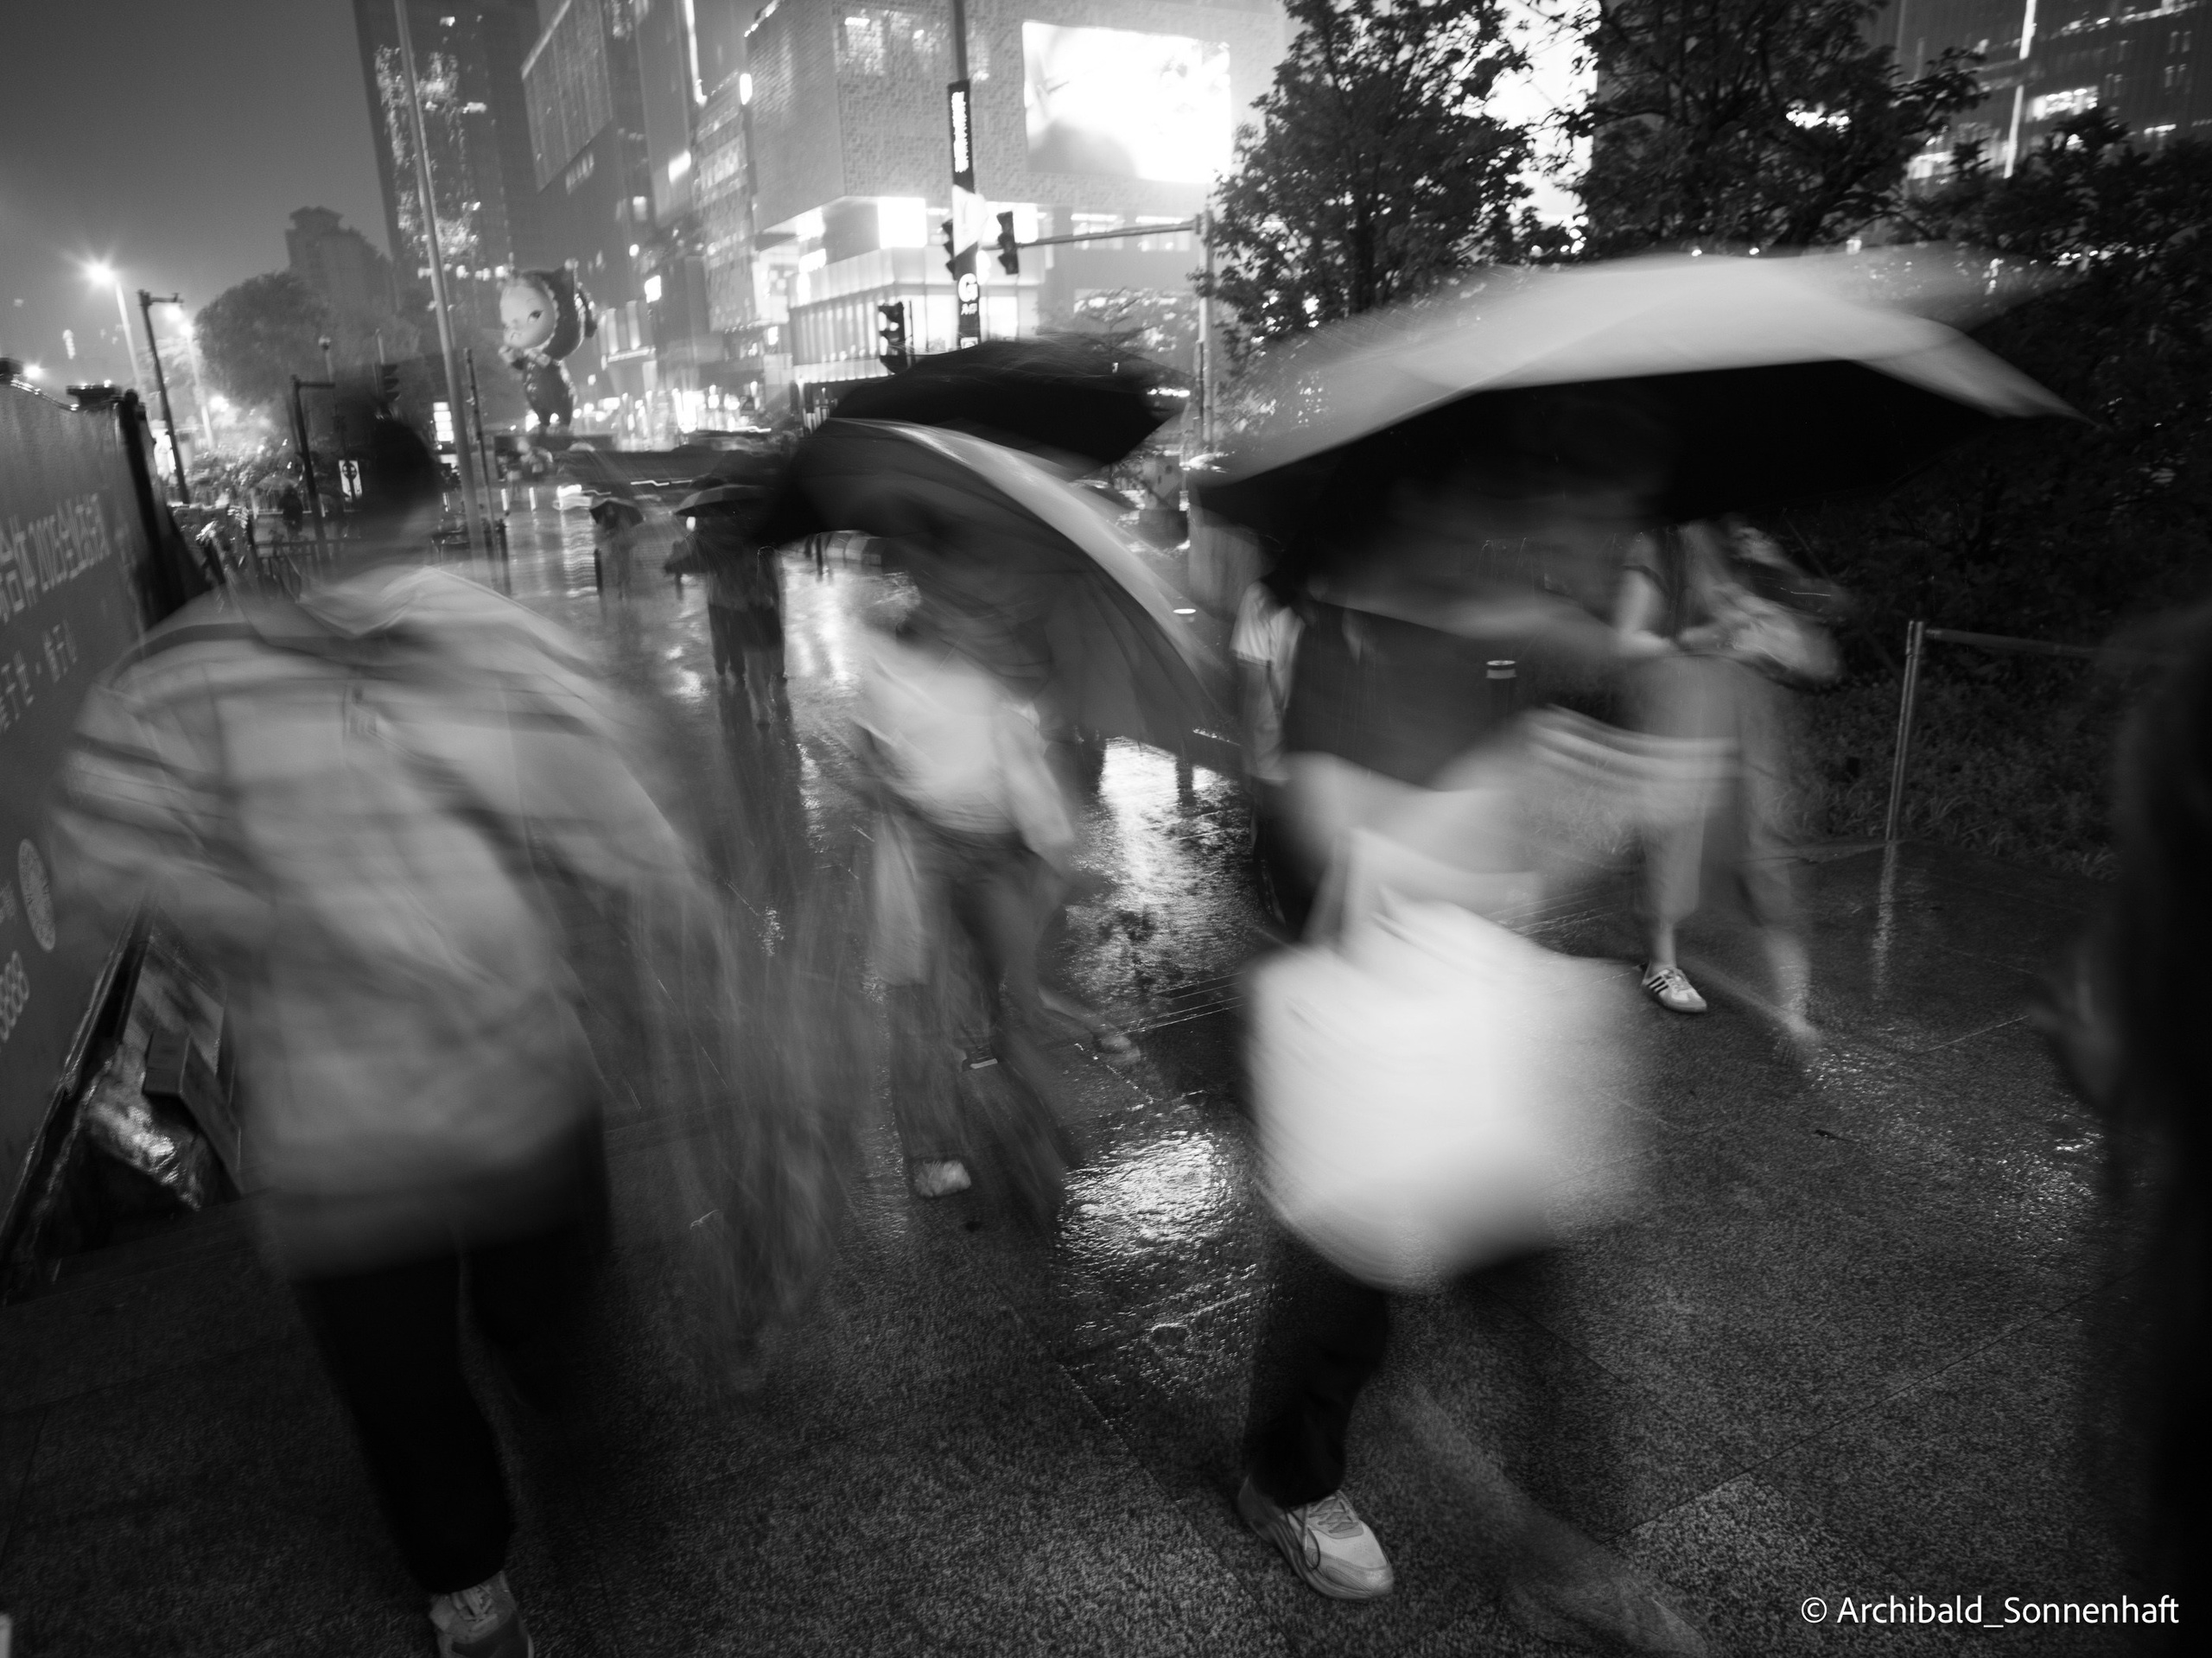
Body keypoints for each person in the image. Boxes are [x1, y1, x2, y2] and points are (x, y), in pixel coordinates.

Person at [49, 425, 709, 1658]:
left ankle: (540, 1514)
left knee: (537, 1334)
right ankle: (473, 1579)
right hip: (356, 1131)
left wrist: (664, 924)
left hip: (501, 1089)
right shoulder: (199, 668)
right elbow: (102, 849)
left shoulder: (480, 640)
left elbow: (623, 828)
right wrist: (264, 915)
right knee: (409, 1374)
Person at [854, 591, 1079, 1210]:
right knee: (922, 1007)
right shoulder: (891, 680)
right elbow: (871, 768)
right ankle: (933, 1148)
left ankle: (1019, 1126)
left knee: (995, 995)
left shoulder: (992, 686)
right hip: (926, 856)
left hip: (993, 854)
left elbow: (1029, 777)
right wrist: (899, 785)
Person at [1612, 518, 1812, 1037]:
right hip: (1683, 707)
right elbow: (1628, 640)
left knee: (1758, 838)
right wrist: (1696, 639)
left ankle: (1784, 982)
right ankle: (1661, 964)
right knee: (1678, 833)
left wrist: (1773, 572)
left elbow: (1806, 624)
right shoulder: (1660, 544)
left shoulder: (1741, 543)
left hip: (1743, 711)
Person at [666, 495, 788, 724]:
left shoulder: (721, 544)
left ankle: (763, 704)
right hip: (757, 608)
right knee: (758, 660)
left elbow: (740, 579)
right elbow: (769, 574)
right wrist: (763, 594)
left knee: (758, 660)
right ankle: (763, 705)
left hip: (747, 608)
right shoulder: (754, 539)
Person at [588, 492, 647, 597]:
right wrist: (607, 535)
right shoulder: (605, 520)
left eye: (611, 510)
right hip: (614, 547)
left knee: (625, 566)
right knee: (617, 568)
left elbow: (627, 533)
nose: (610, 512)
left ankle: (626, 587)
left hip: (624, 546)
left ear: (615, 510)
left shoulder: (622, 519)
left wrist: (615, 532)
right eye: (608, 511)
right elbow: (601, 534)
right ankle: (620, 588)